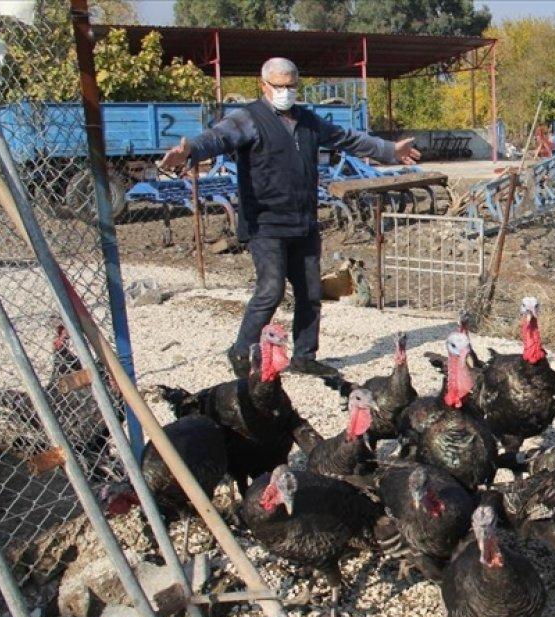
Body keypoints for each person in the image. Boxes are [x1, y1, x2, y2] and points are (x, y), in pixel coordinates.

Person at [159, 57, 420, 379]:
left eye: (291, 86)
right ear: (263, 85)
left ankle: (305, 357)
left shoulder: (308, 121)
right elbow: (217, 138)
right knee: (270, 289)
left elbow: (347, 138)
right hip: (266, 222)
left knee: (310, 293)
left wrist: (389, 150)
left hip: (304, 221)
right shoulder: (248, 119)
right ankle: (241, 350)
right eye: (279, 86)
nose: (286, 92)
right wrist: (189, 152)